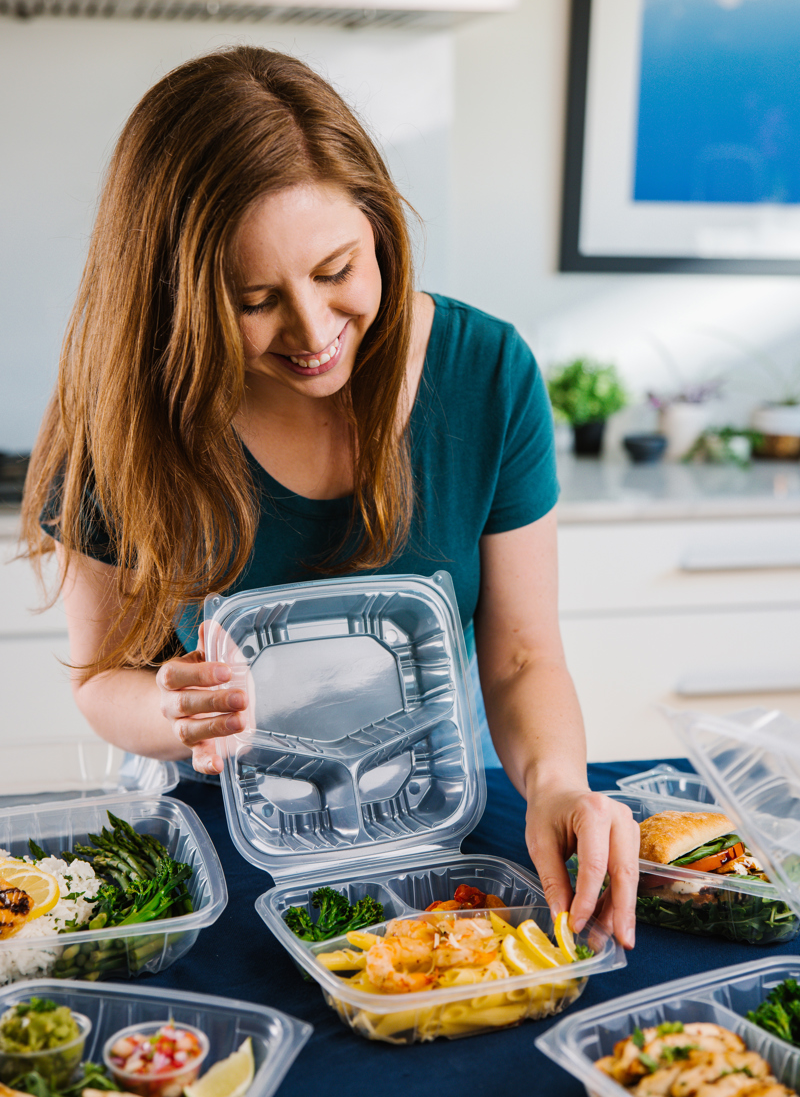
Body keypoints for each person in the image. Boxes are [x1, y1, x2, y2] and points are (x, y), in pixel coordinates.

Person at [21, 46, 638, 948]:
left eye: (338, 270)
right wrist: (170, 710)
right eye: (254, 299)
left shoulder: (487, 373)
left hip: (436, 824)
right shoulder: (119, 411)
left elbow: (519, 658)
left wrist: (557, 786)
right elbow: (99, 677)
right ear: (175, 296)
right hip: (205, 845)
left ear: (380, 228)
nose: (314, 333)